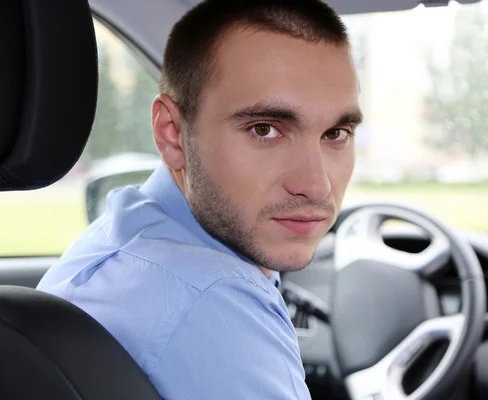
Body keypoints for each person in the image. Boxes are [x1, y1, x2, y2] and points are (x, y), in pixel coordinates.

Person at [37, 0, 361, 398]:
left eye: (336, 134)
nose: (317, 186)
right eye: (264, 130)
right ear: (172, 133)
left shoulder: (123, 237)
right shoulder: (210, 298)